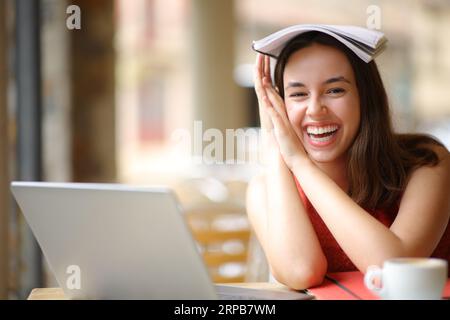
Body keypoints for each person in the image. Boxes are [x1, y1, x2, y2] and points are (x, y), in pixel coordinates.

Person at [246, 29, 450, 290]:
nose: (315, 109)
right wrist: (274, 145)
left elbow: (392, 266)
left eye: (334, 90)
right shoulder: (266, 188)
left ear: (365, 97)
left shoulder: (427, 161)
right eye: (298, 94)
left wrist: (301, 163)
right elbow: (302, 271)